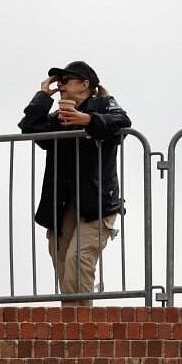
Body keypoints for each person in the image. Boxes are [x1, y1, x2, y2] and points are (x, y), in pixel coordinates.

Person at [19, 61, 130, 299]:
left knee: (78, 260)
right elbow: (28, 128)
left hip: (97, 205)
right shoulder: (59, 116)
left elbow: (122, 121)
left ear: (84, 85)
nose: (60, 85)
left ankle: (79, 328)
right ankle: (75, 326)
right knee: (64, 266)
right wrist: (42, 95)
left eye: (66, 79)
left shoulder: (103, 104)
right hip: (62, 204)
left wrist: (88, 120)